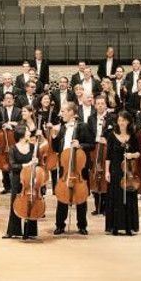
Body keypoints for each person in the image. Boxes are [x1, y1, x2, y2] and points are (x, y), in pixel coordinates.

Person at [52, 101, 92, 235]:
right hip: (65, 165)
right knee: (62, 195)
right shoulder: (62, 128)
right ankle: (59, 225)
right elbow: (56, 147)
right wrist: (54, 137)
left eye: (63, 111)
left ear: (71, 112)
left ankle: (82, 225)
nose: (61, 113)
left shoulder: (83, 126)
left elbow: (91, 144)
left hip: (79, 166)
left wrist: (80, 145)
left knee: (81, 196)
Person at [105, 111, 140, 236]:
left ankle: (129, 226)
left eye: (124, 120)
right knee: (116, 197)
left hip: (129, 170)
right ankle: (115, 226)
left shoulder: (133, 136)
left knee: (129, 196)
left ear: (128, 122)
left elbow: (138, 153)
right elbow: (108, 155)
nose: (121, 123)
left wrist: (131, 154)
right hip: (115, 169)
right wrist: (107, 171)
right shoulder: (111, 135)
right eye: (120, 120)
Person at [4, 124, 40, 241]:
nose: (30, 133)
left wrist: (36, 161)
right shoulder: (13, 148)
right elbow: (12, 165)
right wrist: (26, 165)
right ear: (22, 134)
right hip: (16, 178)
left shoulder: (33, 147)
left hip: (30, 178)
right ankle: (13, 231)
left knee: (31, 201)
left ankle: (30, 231)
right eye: (28, 131)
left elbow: (37, 163)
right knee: (15, 202)